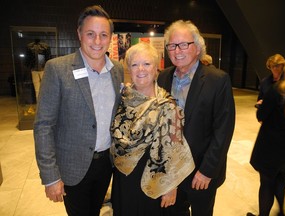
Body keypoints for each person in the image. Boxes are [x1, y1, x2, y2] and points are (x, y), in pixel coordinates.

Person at [33, 5, 124, 216]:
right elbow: (43, 125)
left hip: (106, 165)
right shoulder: (57, 69)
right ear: (79, 34)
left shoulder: (117, 70)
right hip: (72, 167)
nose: (97, 41)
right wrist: (51, 176)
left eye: (103, 35)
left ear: (110, 37)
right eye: (91, 34)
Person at [157, 20, 236, 216]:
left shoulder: (217, 80)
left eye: (184, 44)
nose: (177, 50)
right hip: (172, 172)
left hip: (200, 173)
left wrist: (207, 170)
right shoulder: (163, 78)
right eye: (172, 45)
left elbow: (223, 131)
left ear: (197, 47)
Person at [110, 42, 195, 216]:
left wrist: (171, 187)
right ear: (129, 69)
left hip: (154, 178)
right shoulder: (122, 98)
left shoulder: (167, 105)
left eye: (147, 64)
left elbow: (174, 150)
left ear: (156, 67)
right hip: (124, 177)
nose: (141, 69)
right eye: (134, 64)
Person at [247, 64, 285, 216]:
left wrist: (261, 106)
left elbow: (261, 116)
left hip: (270, 146)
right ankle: (282, 212)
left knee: (266, 184)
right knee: (281, 179)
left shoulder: (277, 90)